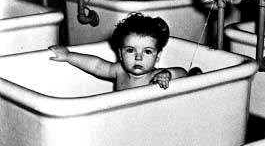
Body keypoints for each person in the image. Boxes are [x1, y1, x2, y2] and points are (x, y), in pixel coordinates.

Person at [49, 13, 187, 90]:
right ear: (120, 53)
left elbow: (183, 73)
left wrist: (168, 74)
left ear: (157, 57)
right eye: (131, 50)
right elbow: (96, 65)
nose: (138, 57)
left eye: (148, 52)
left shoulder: (155, 77)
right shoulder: (119, 70)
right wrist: (68, 56)